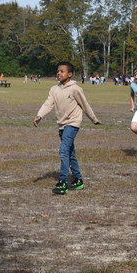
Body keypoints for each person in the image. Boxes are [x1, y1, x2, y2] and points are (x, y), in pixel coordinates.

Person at [34, 61, 102, 194]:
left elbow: (85, 105)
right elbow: (48, 104)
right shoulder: (54, 89)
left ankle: (63, 182)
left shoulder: (75, 89)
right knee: (70, 153)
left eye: (62, 71)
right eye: (58, 71)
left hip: (73, 123)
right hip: (62, 124)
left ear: (70, 74)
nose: (59, 73)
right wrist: (39, 115)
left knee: (63, 150)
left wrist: (93, 119)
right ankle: (78, 180)